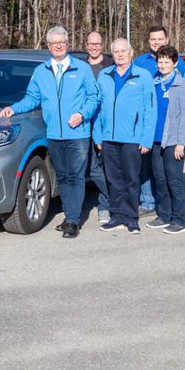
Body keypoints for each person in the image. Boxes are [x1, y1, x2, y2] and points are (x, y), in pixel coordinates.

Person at [0, 26, 100, 239]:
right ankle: (69, 215)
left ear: (67, 44)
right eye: (54, 43)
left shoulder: (81, 69)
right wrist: (13, 108)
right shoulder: (41, 71)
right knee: (63, 177)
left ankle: (73, 220)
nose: (58, 46)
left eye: (61, 42)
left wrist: (82, 114)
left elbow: (94, 97)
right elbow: (32, 98)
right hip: (54, 133)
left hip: (78, 133)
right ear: (48, 46)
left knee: (75, 176)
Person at [94, 39, 156, 234]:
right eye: (116, 52)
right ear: (112, 55)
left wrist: (146, 138)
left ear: (131, 53)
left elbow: (150, 110)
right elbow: (97, 107)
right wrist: (98, 137)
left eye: (123, 51)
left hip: (132, 138)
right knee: (113, 179)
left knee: (131, 179)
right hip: (108, 138)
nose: (120, 55)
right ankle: (116, 216)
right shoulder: (104, 75)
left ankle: (131, 218)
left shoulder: (143, 76)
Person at [149, 45, 185, 234]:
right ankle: (164, 215)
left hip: (174, 141)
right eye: (160, 61)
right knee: (160, 179)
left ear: (175, 63)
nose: (163, 64)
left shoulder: (181, 84)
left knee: (174, 180)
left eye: (167, 61)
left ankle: (179, 219)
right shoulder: (155, 82)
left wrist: (181, 142)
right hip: (157, 140)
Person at [83, 30, 112, 224]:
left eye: (98, 44)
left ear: (102, 45)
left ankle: (105, 206)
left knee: (106, 167)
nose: (94, 47)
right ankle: (114, 196)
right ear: (86, 45)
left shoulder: (110, 66)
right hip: (83, 124)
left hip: (106, 123)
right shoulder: (79, 67)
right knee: (92, 167)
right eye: (91, 44)